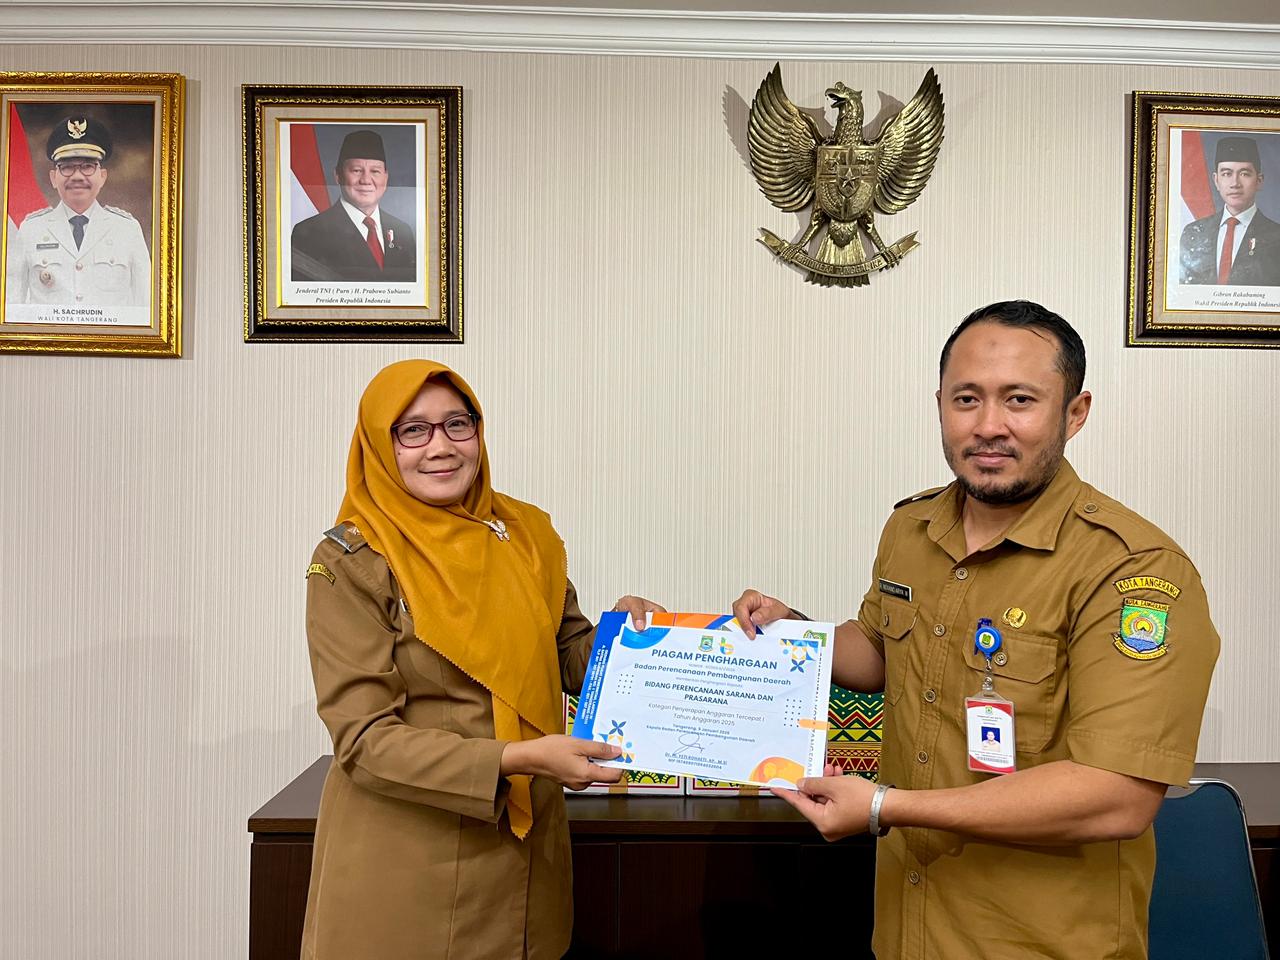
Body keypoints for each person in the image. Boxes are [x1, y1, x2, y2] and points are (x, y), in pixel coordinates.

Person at [733, 301, 1219, 960]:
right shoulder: (911, 528)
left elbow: (1116, 797)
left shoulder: (1132, 569)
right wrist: (789, 630)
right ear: (940, 405)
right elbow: (878, 652)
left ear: (1075, 413)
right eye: (967, 399)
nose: (989, 426)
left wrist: (884, 807)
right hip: (906, 931)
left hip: (1039, 943)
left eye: (1020, 400)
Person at [301, 359, 661, 959]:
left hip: (527, 860)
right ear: (380, 446)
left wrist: (624, 638)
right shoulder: (353, 562)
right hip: (410, 867)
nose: (441, 446)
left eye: (457, 424)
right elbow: (364, 741)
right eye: (412, 430)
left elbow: (567, 654)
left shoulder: (522, 534)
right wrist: (519, 758)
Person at [6, 115, 150, 307]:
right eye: (67, 167)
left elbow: (146, 307)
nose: (77, 176)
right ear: (53, 178)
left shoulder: (127, 230)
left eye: (87, 167)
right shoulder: (31, 230)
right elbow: (12, 306)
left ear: (102, 176)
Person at [290, 129, 416, 283]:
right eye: (356, 170)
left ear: (386, 177)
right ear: (338, 176)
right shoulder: (310, 233)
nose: (366, 180)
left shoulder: (402, 231)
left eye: (375, 171)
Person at [1179, 135, 1280, 286]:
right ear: (1216, 180)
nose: (1235, 183)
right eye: (1227, 173)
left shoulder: (1276, 237)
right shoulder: (1193, 233)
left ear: (1259, 181)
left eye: (1244, 174)